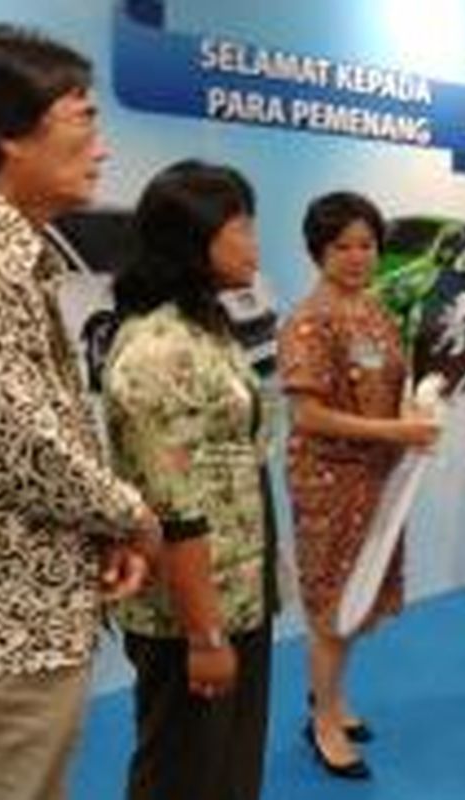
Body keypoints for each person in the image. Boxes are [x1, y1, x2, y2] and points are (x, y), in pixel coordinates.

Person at [0, 25, 160, 800]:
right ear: (7, 135)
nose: (102, 145)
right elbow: (23, 445)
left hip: (28, 612)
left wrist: (99, 527)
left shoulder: (18, 259)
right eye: (82, 117)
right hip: (6, 634)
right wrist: (129, 515)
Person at [105, 160, 277, 800]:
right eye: (243, 227)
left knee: (229, 772)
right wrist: (204, 635)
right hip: (190, 611)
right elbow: (175, 510)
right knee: (183, 775)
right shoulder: (159, 350)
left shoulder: (208, 326)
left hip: (238, 589)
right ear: (194, 239)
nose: (255, 244)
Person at [279, 191, 440, 780]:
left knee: (362, 597)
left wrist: (419, 412)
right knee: (334, 607)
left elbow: (394, 383)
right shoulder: (309, 319)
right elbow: (308, 415)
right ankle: (323, 725)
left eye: (366, 244)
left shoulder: (376, 311)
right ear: (318, 250)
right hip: (328, 481)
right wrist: (396, 428)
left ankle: (333, 700)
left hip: (379, 476)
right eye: (341, 246)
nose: (355, 257)